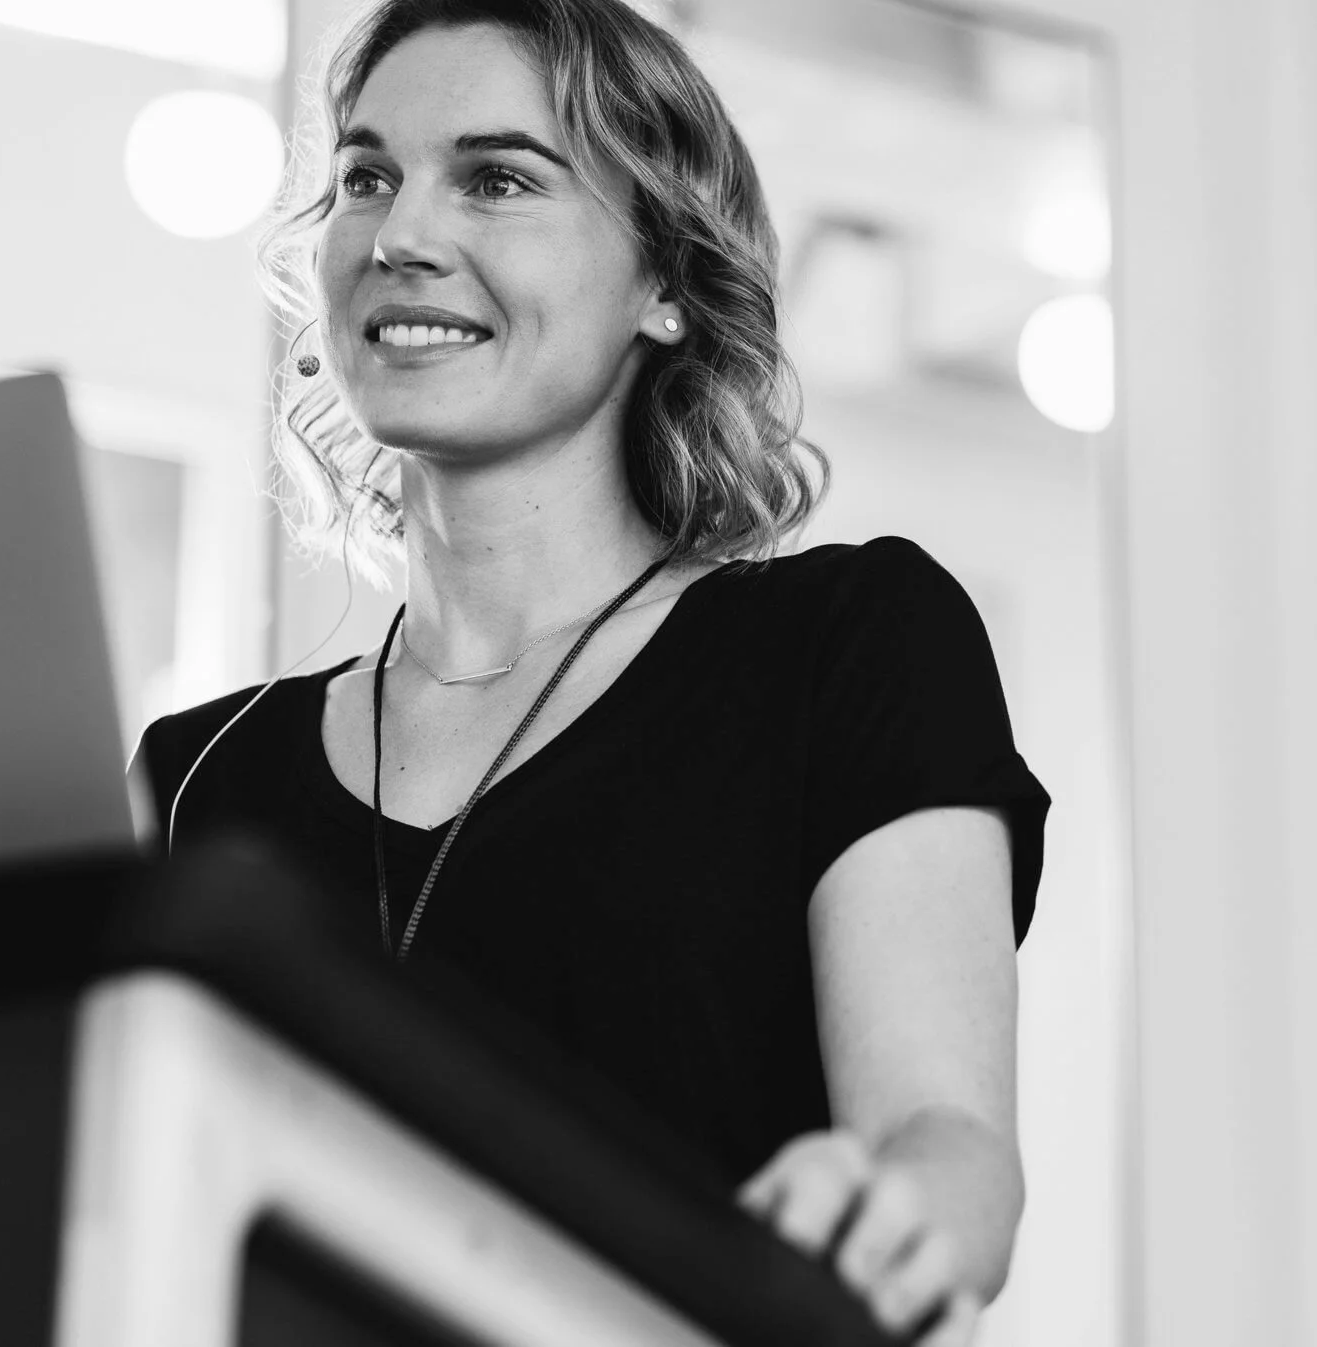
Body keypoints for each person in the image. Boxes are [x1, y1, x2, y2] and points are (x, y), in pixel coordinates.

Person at [130, 1, 1050, 1342]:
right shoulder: (198, 774)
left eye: (496, 180)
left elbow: (949, 1145)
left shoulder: (845, 642)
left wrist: (895, 1209)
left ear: (664, 283)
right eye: (367, 178)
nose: (399, 234)